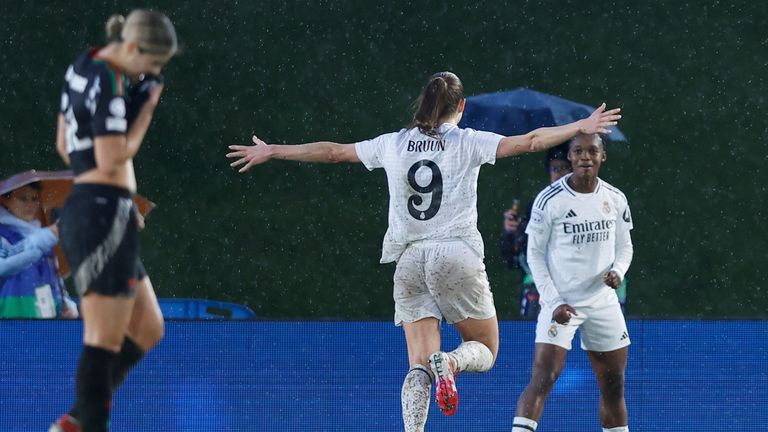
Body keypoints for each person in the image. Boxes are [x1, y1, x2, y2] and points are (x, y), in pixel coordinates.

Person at [226, 71, 621, 432]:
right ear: (461, 108)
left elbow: (333, 152)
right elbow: (531, 141)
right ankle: (451, 362)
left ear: (422, 104)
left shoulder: (393, 143)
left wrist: (274, 150)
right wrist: (581, 127)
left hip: (409, 259)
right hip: (455, 253)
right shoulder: (467, 141)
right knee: (484, 349)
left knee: (417, 366)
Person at [49, 10, 177, 432]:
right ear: (135, 48)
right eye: (154, 64)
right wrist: (146, 109)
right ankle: (89, 424)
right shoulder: (110, 82)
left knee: (148, 326)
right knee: (102, 342)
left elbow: (65, 146)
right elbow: (112, 157)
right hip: (100, 215)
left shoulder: (83, 64)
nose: (154, 73)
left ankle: (77, 421)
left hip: (102, 209)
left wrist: (123, 201)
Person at [511, 133, 633, 432]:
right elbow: (535, 256)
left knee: (614, 386)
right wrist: (553, 301)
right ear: (570, 157)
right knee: (543, 378)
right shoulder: (549, 199)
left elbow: (625, 246)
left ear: (603, 156)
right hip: (561, 303)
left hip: (604, 303)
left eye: (592, 151)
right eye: (578, 151)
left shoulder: (615, 198)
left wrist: (618, 270)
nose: (585, 157)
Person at [499, 144, 572, 318]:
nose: (559, 173)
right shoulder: (537, 206)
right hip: (539, 290)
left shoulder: (588, 203)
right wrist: (510, 233)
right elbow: (512, 259)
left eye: (564, 168)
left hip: (575, 286)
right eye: (555, 168)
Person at [0, 182, 78, 318]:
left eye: (34, 199)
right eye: (23, 199)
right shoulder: (3, 234)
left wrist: (67, 304)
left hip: (45, 327)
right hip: (8, 328)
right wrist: (44, 239)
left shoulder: (44, 236)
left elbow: (56, 282)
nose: (30, 205)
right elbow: (3, 265)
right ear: (5, 200)